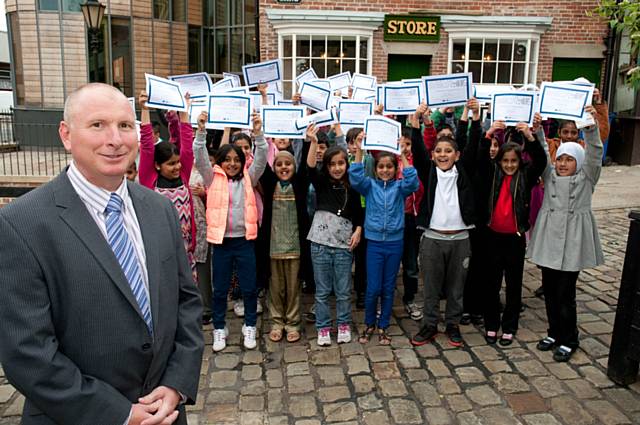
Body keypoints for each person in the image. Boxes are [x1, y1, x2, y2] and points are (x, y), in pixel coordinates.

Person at [0, 83, 204, 425]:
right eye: (98, 125)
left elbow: (186, 302)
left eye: (125, 126)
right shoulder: (21, 223)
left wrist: (176, 385)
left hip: (165, 413)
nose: (115, 139)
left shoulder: (159, 209)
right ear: (66, 135)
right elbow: (27, 351)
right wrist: (120, 414)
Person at [529, 105, 604, 362]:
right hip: (550, 240)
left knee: (565, 294)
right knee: (549, 290)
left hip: (572, 241)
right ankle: (553, 332)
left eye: (569, 159)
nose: (563, 164)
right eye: (560, 158)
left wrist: (591, 129)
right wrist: (538, 130)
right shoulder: (550, 176)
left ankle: (569, 338)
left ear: (578, 162)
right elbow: (541, 154)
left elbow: (595, 154)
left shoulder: (586, 179)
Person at [409, 101, 481, 348]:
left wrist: (473, 117)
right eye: (438, 151)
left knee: (456, 288)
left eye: (448, 151)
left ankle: (452, 324)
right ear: (433, 155)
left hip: (460, 239)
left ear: (456, 155)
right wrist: (415, 124)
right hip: (432, 238)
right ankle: (429, 324)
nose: (443, 155)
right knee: (430, 287)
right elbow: (418, 149)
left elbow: (469, 143)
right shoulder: (429, 171)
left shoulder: (464, 170)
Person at [196, 112, 268, 352]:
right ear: (219, 162)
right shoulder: (212, 178)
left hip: (244, 242)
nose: (232, 164)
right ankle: (219, 328)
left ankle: (249, 325)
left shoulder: (249, 177)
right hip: (222, 243)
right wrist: (201, 130)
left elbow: (261, 158)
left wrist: (258, 133)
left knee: (248, 288)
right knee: (220, 289)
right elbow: (199, 157)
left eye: (236, 159)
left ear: (242, 160)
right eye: (226, 159)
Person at [477, 115, 547, 346]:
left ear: (519, 162)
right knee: (491, 284)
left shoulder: (526, 176)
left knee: (514, 285)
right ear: (499, 161)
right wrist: (488, 136)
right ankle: (491, 325)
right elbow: (478, 157)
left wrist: (530, 136)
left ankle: (510, 326)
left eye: (513, 161)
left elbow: (541, 160)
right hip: (493, 237)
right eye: (505, 160)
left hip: (515, 239)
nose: (509, 165)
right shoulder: (491, 174)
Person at [349, 131, 419, 345]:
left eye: (389, 167)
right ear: (376, 169)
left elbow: (413, 181)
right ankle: (369, 322)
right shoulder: (370, 186)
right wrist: (359, 151)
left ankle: (383, 325)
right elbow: (355, 177)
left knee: (388, 287)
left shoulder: (400, 188)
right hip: (375, 243)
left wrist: (403, 155)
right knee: (373, 288)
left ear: (395, 168)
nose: (385, 170)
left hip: (395, 242)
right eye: (381, 167)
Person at [307, 128, 363, 346]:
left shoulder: (353, 185)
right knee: (322, 292)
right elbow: (311, 168)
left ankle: (343, 324)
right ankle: (323, 327)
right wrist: (312, 143)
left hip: (343, 245)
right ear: (327, 166)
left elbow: (360, 212)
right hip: (320, 244)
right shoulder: (321, 184)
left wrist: (359, 229)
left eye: (341, 163)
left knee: (343, 290)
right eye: (332, 164)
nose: (337, 168)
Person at [138, 91, 198, 283]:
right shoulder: (149, 180)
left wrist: (184, 111)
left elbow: (187, 146)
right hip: (160, 255)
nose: (177, 167)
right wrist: (145, 109)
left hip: (186, 254)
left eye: (178, 162)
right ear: (157, 165)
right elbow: (147, 145)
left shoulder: (183, 174)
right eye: (171, 164)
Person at [260, 127, 312, 343]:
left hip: (295, 247)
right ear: (274, 167)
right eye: (279, 164)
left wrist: (311, 141)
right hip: (273, 247)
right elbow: (260, 165)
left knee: (293, 287)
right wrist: (259, 135)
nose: (284, 167)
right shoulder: (270, 183)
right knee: (276, 287)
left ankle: (292, 322)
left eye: (288, 164)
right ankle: (277, 321)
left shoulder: (298, 184)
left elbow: (308, 169)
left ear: (294, 166)